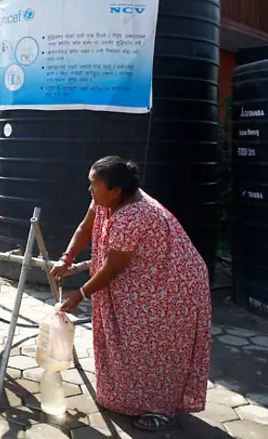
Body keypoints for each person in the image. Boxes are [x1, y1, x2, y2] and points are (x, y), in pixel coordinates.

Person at [52, 156, 211, 432]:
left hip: (171, 285)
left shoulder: (133, 215)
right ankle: (130, 399)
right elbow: (86, 227)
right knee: (130, 343)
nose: (90, 190)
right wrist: (67, 258)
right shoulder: (107, 199)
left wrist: (80, 293)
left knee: (156, 347)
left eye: (94, 186)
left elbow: (113, 267)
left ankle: (161, 409)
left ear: (115, 191)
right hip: (144, 278)